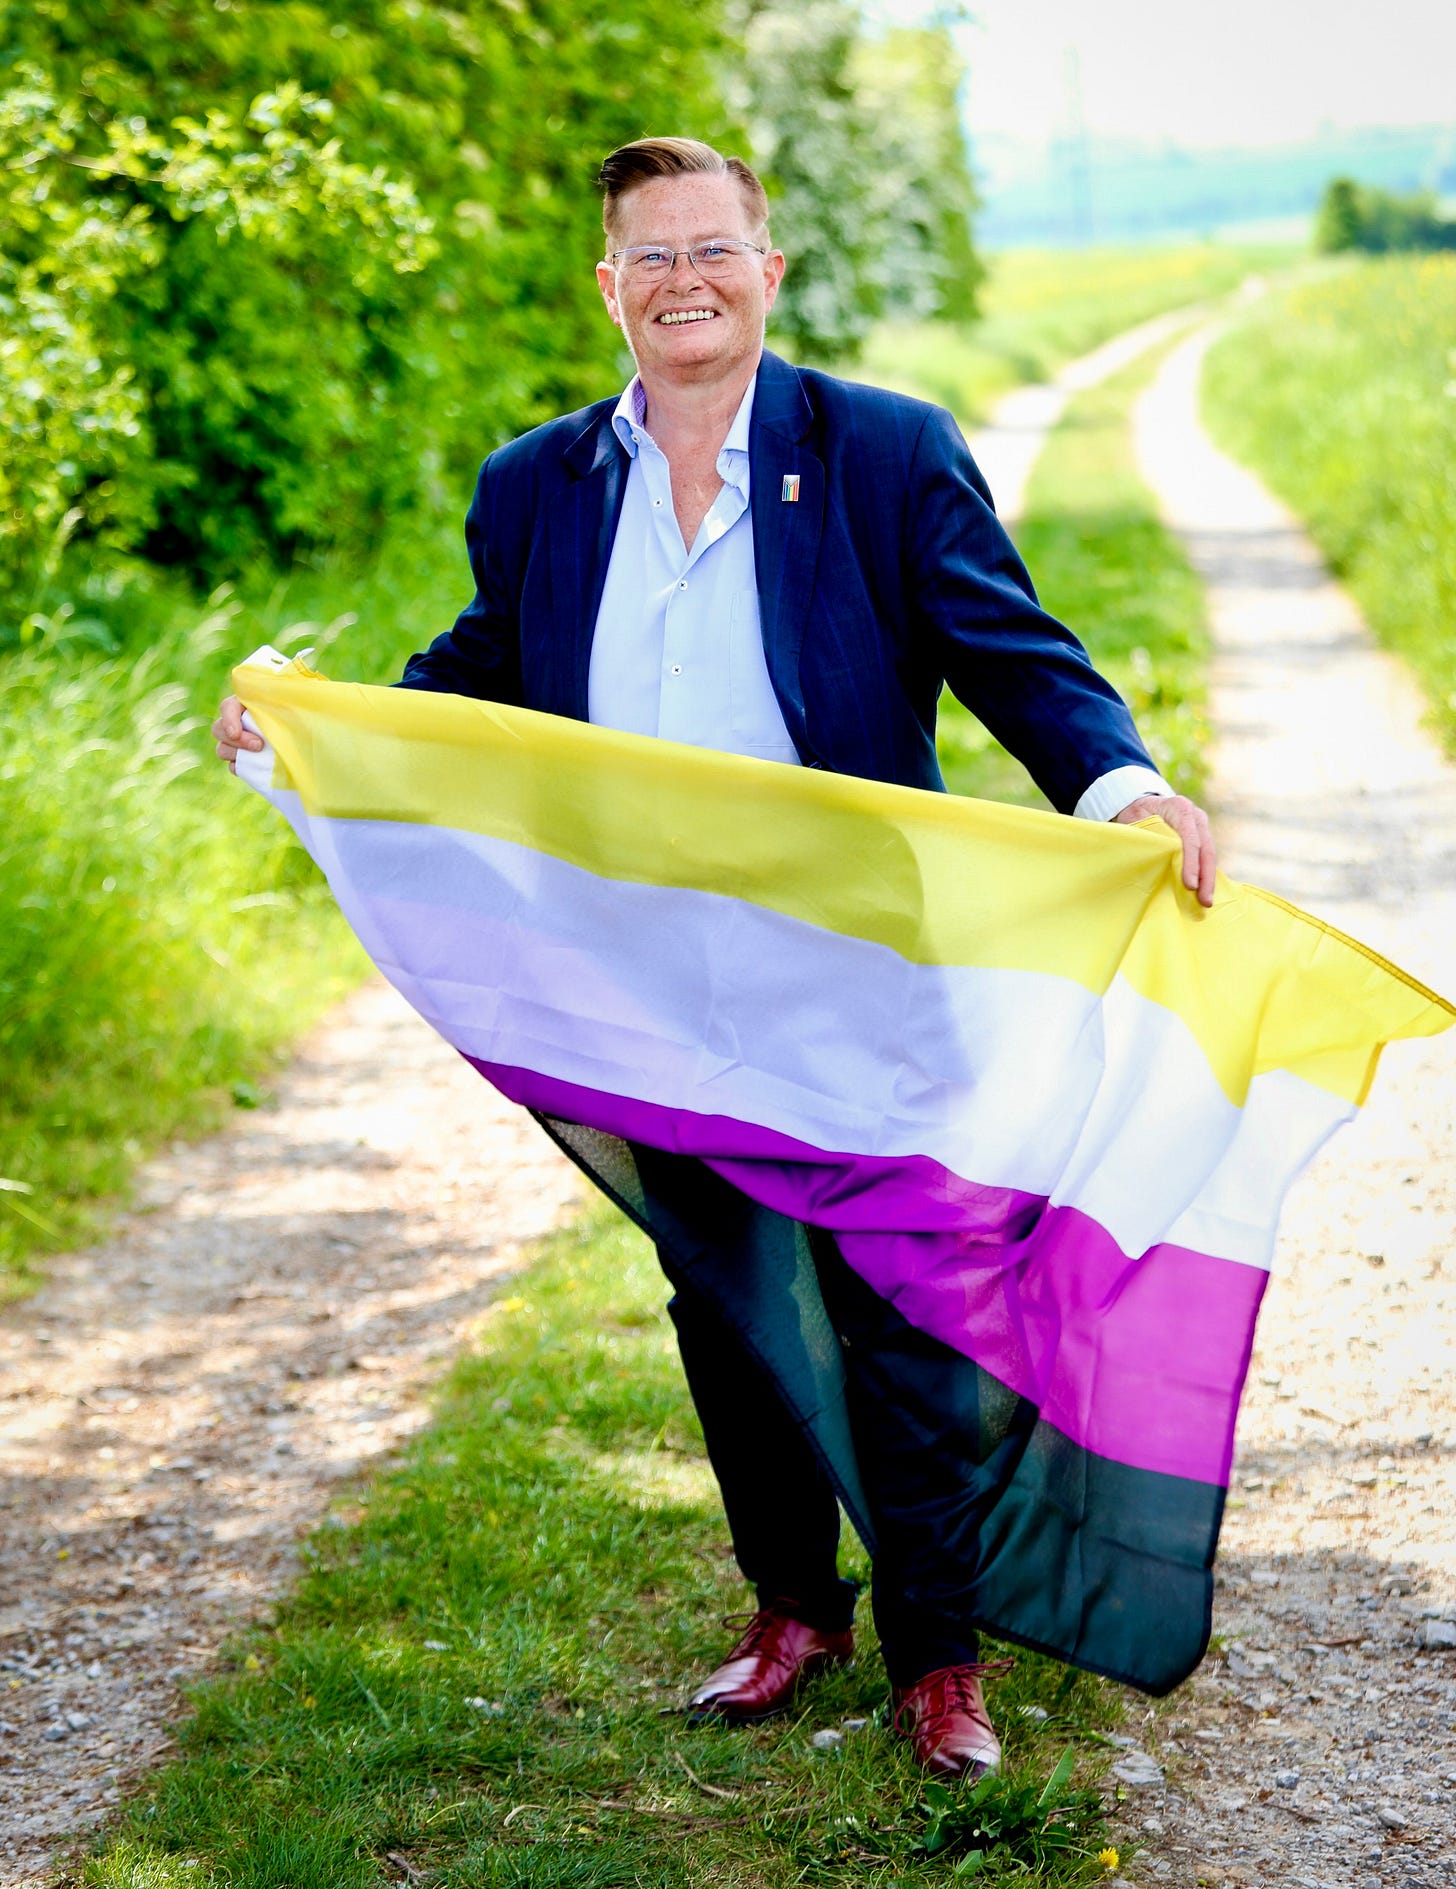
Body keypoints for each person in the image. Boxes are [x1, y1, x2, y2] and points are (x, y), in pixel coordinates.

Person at [215, 136, 1216, 1779]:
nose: (683, 279)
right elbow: (485, 672)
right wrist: (317, 734)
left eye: (712, 249)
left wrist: (1120, 781)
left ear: (769, 269)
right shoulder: (538, 481)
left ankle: (939, 1657)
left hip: (857, 968)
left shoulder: (882, 450)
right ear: (608, 286)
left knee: (895, 1298)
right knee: (725, 1292)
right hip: (654, 988)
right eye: (649, 256)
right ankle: (789, 1607)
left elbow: (1013, 652)